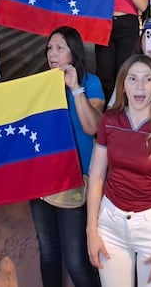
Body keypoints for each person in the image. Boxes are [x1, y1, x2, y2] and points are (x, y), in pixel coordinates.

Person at [87, 54, 151, 287]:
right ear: (123, 84)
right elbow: (97, 176)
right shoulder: (109, 121)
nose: (139, 86)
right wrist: (92, 230)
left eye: (148, 79)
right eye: (132, 78)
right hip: (110, 224)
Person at [31, 27, 103, 287]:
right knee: (48, 252)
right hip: (40, 181)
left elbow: (92, 127)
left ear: (74, 52)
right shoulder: (37, 85)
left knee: (75, 260)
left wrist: (75, 89)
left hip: (77, 180)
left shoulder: (90, 82)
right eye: (50, 48)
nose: (53, 53)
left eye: (60, 48)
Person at [91, 0, 151, 97]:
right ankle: (104, 111)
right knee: (104, 71)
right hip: (105, 24)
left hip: (127, 25)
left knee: (125, 70)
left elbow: (143, 6)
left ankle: (122, 108)